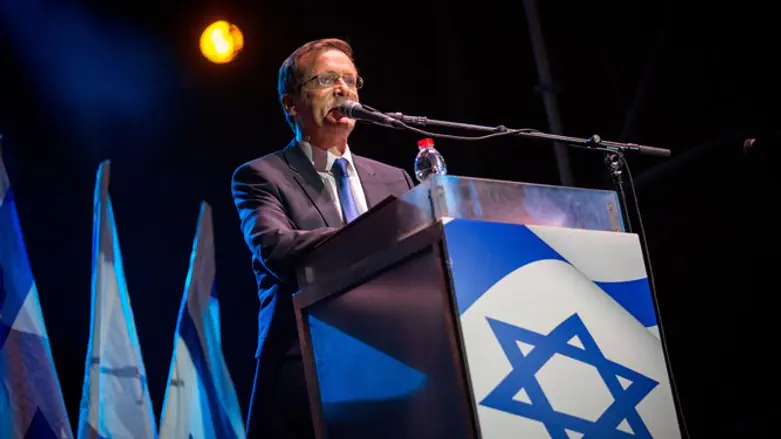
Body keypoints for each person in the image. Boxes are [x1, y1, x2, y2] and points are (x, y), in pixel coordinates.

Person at [230, 38, 416, 439]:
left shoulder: (395, 178)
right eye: (326, 79)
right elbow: (277, 249)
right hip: (308, 370)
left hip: (398, 367)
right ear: (291, 103)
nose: (343, 89)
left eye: (350, 80)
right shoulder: (261, 176)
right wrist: (375, 235)